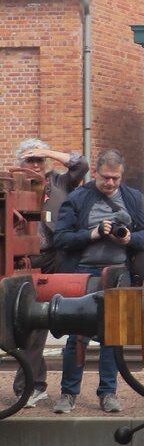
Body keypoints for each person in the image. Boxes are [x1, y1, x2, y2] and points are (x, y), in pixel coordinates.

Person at [51, 150, 144, 414]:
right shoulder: (77, 198)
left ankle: (108, 393)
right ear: (95, 173)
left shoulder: (133, 198)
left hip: (118, 274)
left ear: (121, 176)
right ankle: (68, 393)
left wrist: (129, 240)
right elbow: (61, 239)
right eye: (106, 178)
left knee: (113, 338)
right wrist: (93, 234)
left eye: (116, 179)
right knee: (76, 336)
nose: (110, 183)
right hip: (83, 275)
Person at [10, 140, 88, 407]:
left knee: (48, 322)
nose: (35, 166)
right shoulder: (12, 185)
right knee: (31, 324)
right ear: (20, 164)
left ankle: (34, 385)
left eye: (38, 161)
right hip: (24, 261)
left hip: (58, 258)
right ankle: (32, 385)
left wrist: (46, 152)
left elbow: (82, 164)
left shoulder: (59, 182)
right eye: (29, 161)